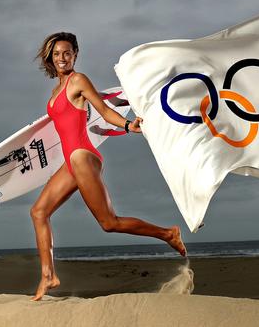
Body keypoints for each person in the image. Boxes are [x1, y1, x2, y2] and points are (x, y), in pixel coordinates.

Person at [30, 32, 187, 301]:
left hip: (82, 155)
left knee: (109, 222)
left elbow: (102, 110)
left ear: (75, 54)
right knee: (38, 212)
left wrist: (128, 125)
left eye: (67, 53)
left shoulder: (78, 80)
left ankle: (168, 233)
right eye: (57, 54)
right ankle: (48, 275)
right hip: (70, 160)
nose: (62, 58)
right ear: (50, 57)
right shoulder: (56, 90)